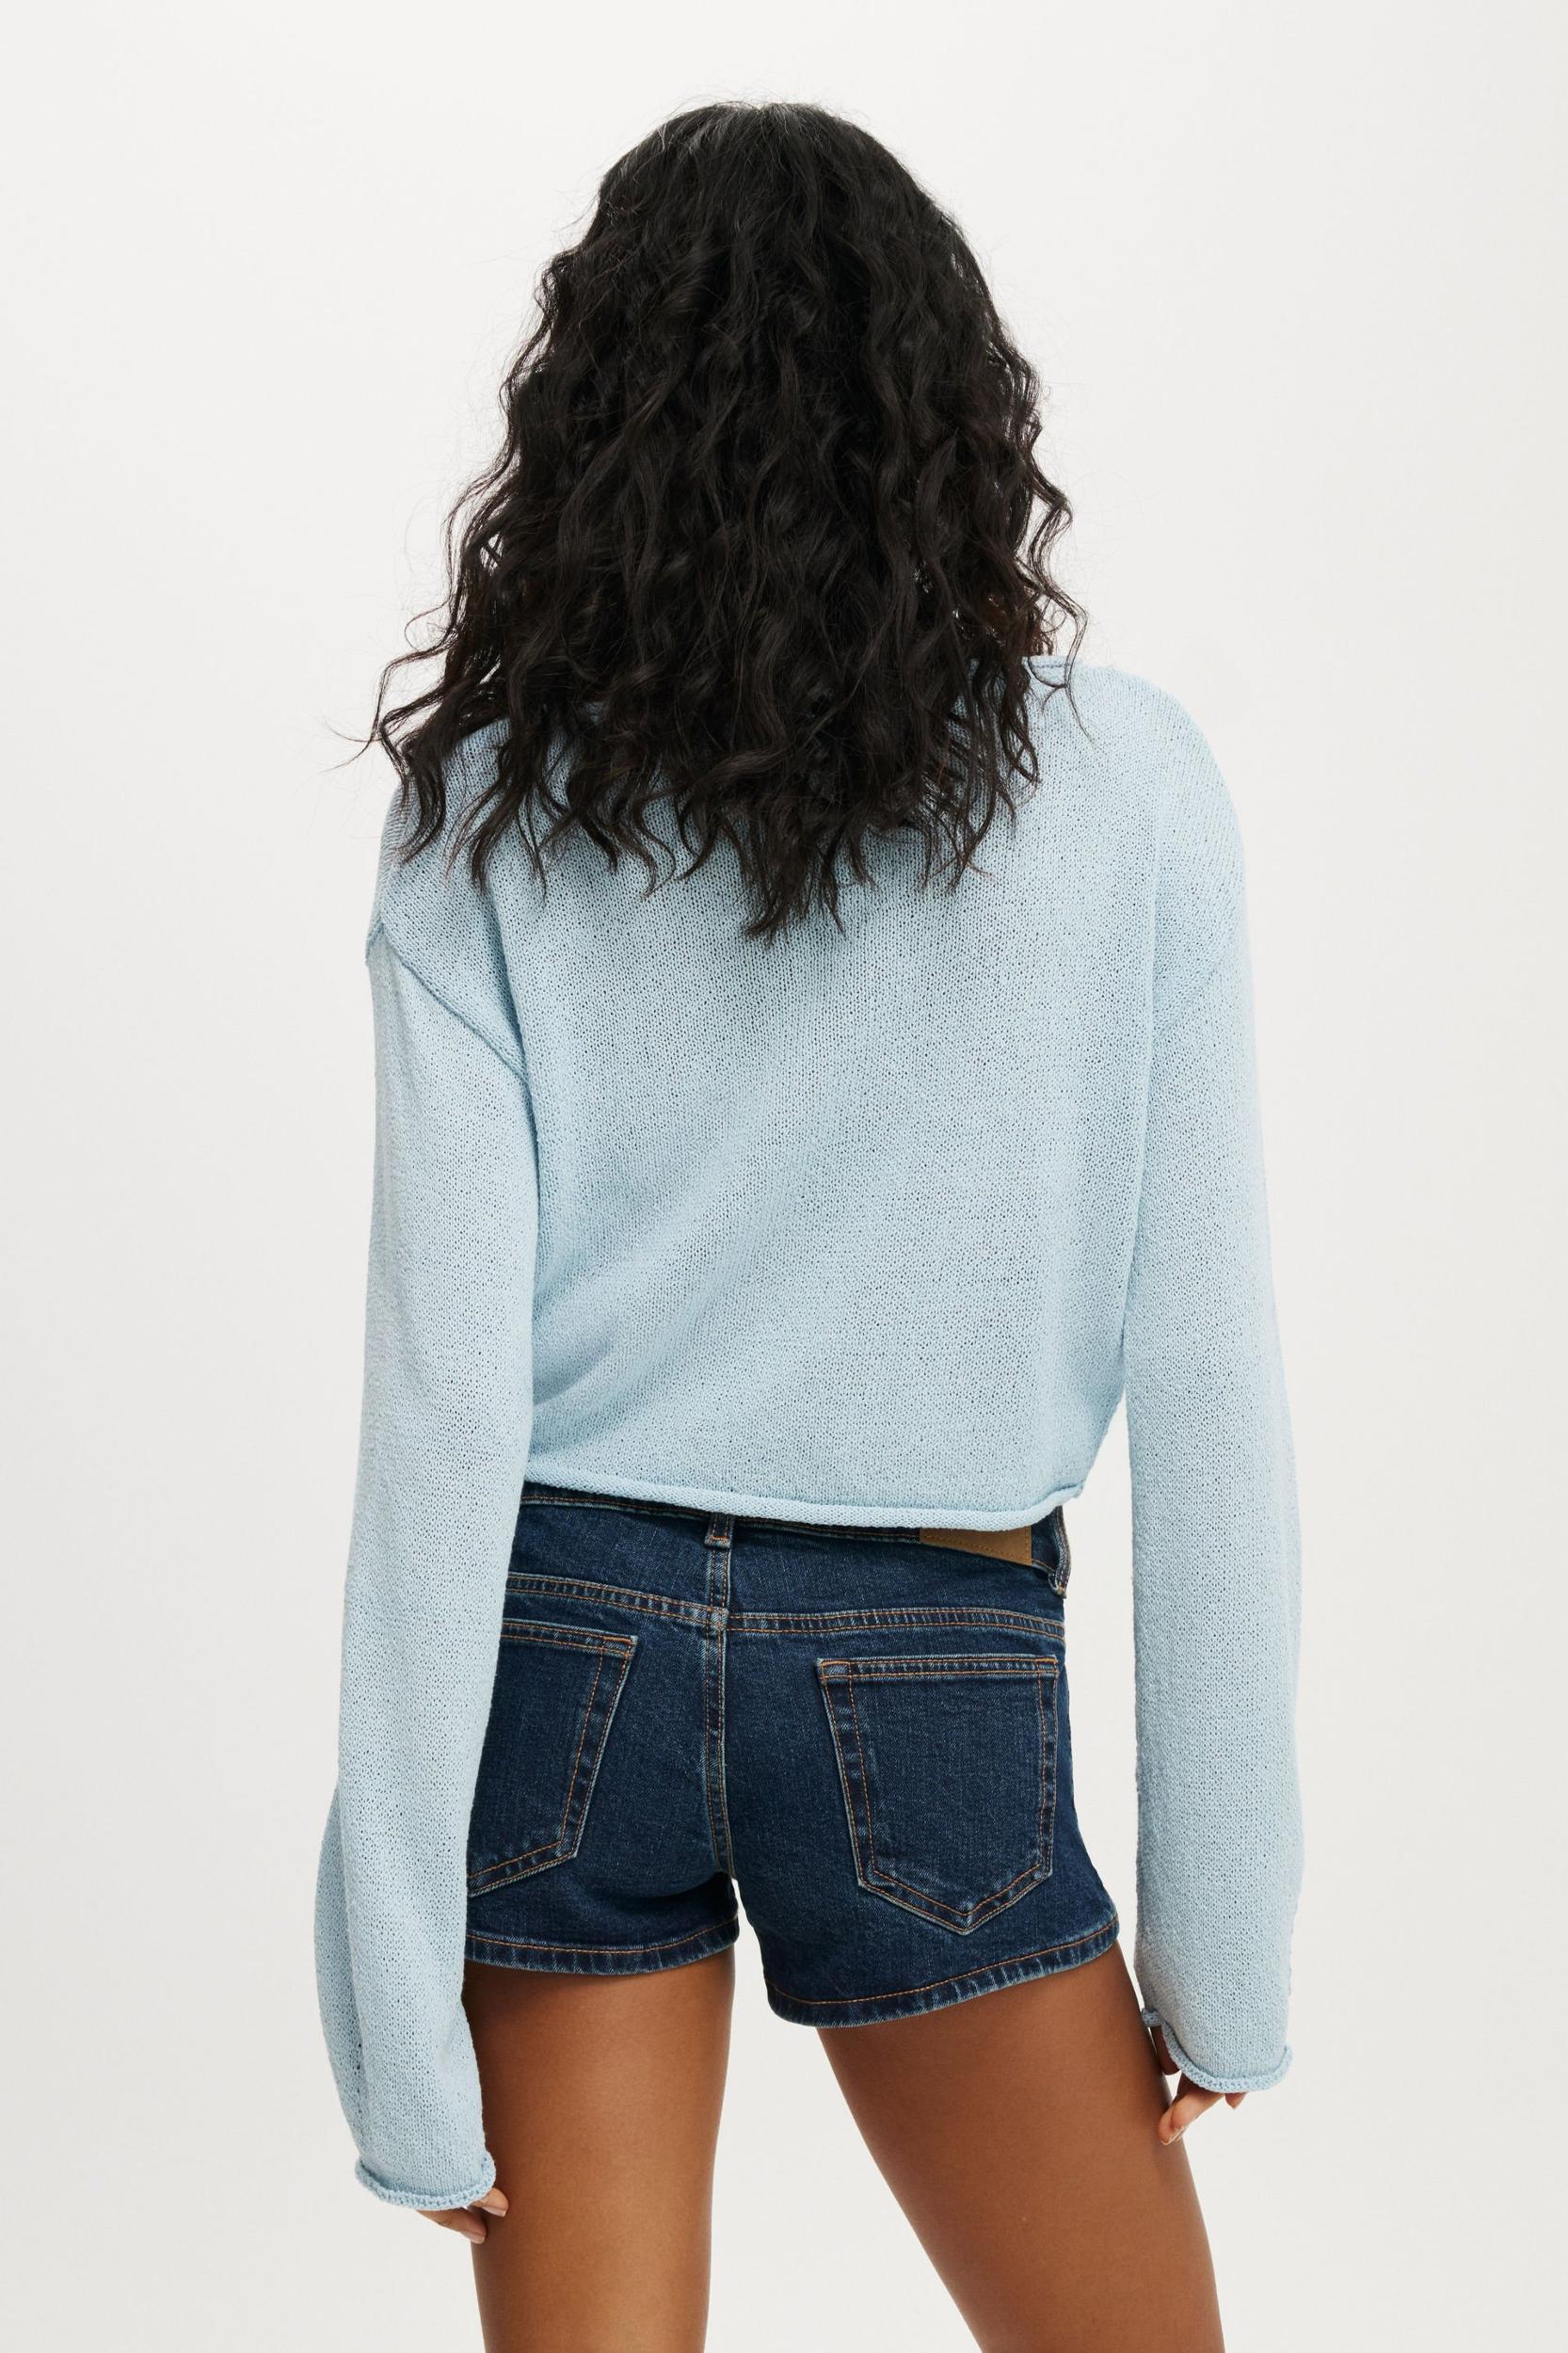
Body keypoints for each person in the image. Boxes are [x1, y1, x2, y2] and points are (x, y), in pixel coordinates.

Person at [314, 99, 1303, 2353]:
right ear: (952, 410)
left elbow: (441, 1406)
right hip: (928, 1647)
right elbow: (1206, 1376)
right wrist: (1224, 1936)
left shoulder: (487, 807)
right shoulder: (1131, 789)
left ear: (592, 419)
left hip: (565, 1648)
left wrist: (388, 2008)